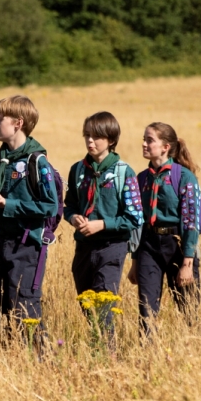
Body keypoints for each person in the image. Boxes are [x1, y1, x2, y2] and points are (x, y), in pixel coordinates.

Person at [64, 112, 143, 348]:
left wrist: (102, 224)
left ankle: (108, 352)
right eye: (87, 135)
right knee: (86, 302)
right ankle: (97, 344)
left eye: (96, 136)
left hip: (111, 247)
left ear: (110, 140)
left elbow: (135, 216)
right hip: (83, 248)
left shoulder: (123, 172)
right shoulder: (77, 170)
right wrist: (73, 218)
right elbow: (68, 206)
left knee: (104, 302)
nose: (90, 141)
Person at [0, 95, 59, 348]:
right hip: (3, 241)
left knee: (25, 306)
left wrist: (10, 204)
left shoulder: (36, 162)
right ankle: (12, 361)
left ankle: (40, 360)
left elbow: (50, 206)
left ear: (18, 123)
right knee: (1, 305)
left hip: (28, 245)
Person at [127, 122, 201, 337]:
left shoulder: (184, 177)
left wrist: (187, 263)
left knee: (188, 308)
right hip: (149, 247)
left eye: (150, 140)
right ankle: (146, 358)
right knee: (146, 310)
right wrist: (135, 261)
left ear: (165, 147)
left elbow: (191, 221)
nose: (144, 144)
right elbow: (137, 222)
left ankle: (194, 351)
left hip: (177, 245)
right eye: (144, 139)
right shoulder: (141, 179)